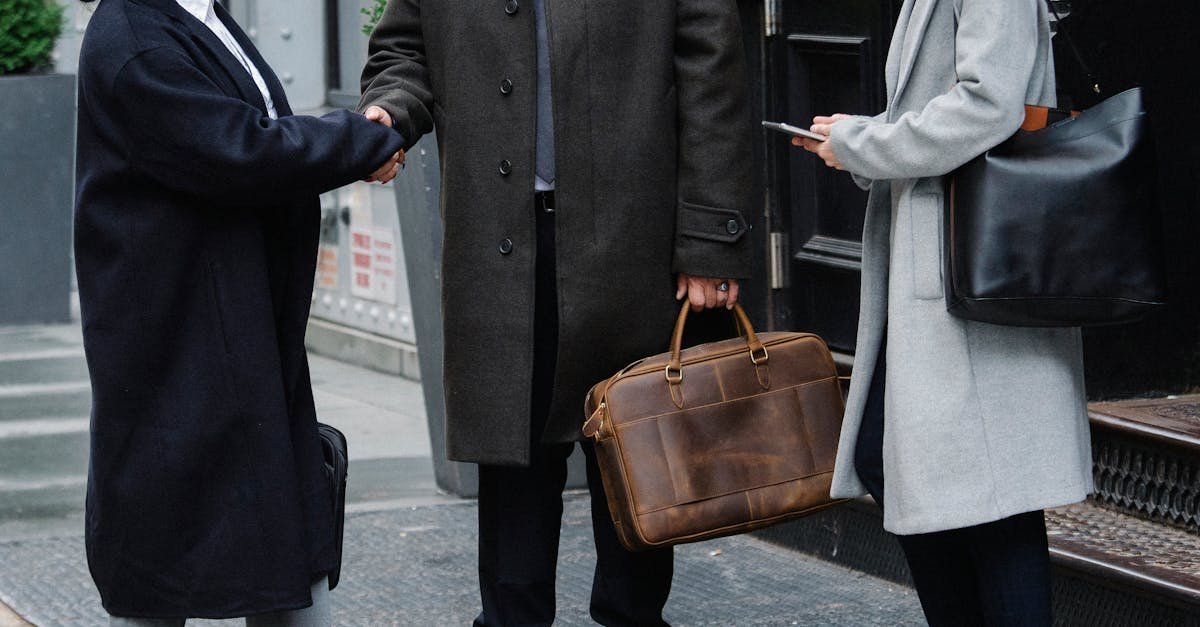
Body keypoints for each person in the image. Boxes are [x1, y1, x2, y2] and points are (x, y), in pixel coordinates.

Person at [359, 0, 752, 624]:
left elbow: (714, 71)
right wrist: (388, 113)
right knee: (514, 463)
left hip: (637, 246)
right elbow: (404, 52)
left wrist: (710, 239)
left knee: (640, 460)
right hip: (500, 247)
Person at [73, 0, 405, 623]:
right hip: (174, 333)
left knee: (272, 524)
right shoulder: (133, 38)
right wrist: (359, 139)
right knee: (162, 549)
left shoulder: (199, 15)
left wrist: (358, 138)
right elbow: (235, 149)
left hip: (229, 318)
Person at [795, 0, 1093, 624]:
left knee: (992, 500)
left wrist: (865, 144)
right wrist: (860, 136)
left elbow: (989, 105)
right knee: (926, 473)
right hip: (948, 257)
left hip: (980, 259)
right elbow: (942, 102)